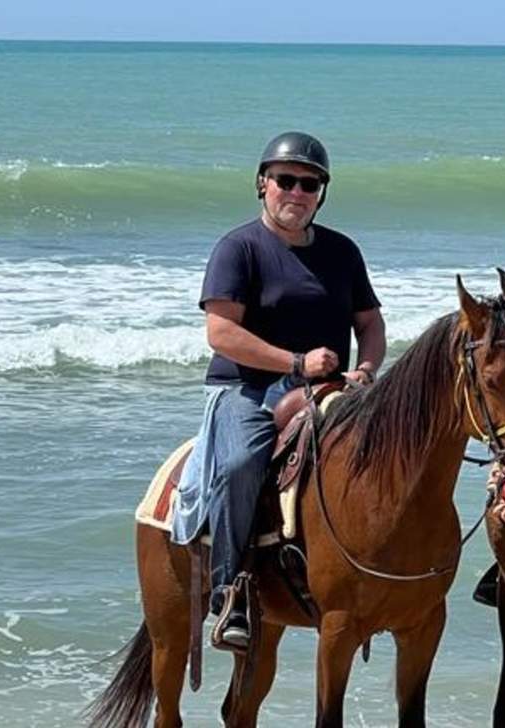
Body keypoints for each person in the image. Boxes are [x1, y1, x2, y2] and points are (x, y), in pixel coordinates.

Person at [169, 131, 386, 650]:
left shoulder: (341, 251)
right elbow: (220, 333)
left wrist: (368, 370)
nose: (297, 192)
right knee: (244, 461)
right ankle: (230, 591)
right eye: (285, 181)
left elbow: (370, 323)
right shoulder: (238, 247)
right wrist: (294, 361)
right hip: (244, 387)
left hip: (330, 385)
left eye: (309, 184)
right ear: (263, 184)